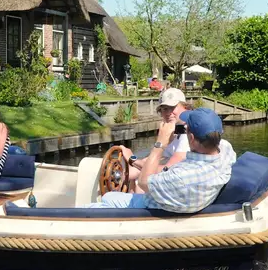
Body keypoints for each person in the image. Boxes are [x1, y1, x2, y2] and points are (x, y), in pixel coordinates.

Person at [91, 108, 236, 213]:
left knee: (100, 203)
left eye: (186, 129)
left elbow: (143, 182)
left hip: (150, 208)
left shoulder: (182, 177)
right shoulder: (226, 151)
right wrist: (133, 160)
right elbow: (167, 171)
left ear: (191, 138)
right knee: (109, 196)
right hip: (186, 200)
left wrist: (161, 142)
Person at [121, 88, 191, 189]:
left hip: (177, 187)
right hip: (171, 184)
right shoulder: (172, 131)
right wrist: (126, 172)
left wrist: (132, 159)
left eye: (172, 107)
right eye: (164, 109)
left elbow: (167, 170)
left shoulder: (188, 134)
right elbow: (154, 158)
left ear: (186, 107)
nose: (168, 112)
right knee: (129, 178)